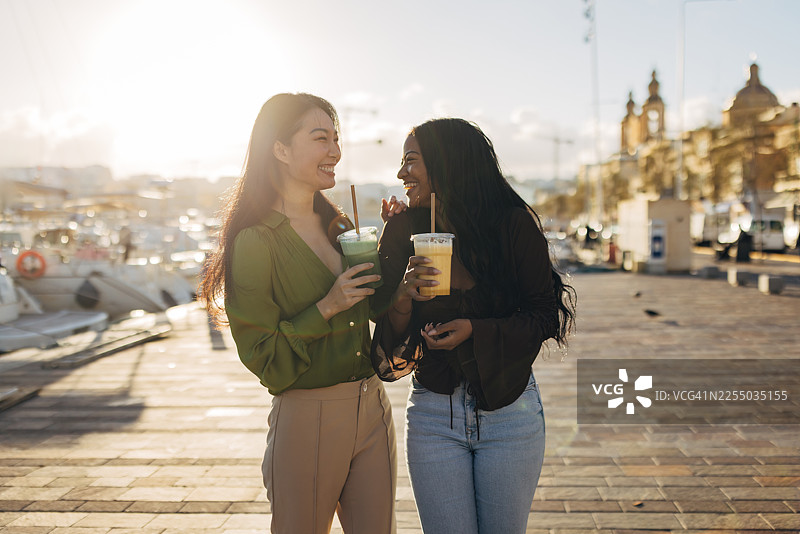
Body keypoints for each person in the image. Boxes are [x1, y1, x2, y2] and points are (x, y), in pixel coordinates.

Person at [200, 93, 400, 534]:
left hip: (373, 407)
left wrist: (401, 240)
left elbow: (376, 305)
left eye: (336, 138)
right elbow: (263, 355)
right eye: (320, 138)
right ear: (281, 149)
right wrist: (327, 306)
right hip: (308, 415)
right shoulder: (255, 241)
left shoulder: (340, 225)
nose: (335, 151)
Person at [370, 118, 576, 534]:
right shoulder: (405, 228)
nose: (401, 172)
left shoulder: (513, 225)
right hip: (433, 415)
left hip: (510, 412)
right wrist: (403, 296)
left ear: (447, 163)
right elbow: (386, 325)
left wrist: (475, 330)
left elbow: (543, 316)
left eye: (411, 160)